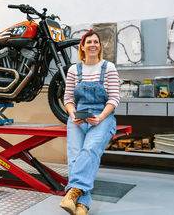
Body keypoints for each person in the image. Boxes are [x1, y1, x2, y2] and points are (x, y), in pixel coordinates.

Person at [59, 30, 120, 215]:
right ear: (82, 47)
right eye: (89, 42)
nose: (93, 44)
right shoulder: (73, 70)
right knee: (75, 156)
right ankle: (82, 205)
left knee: (90, 150)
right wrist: (72, 114)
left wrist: (100, 117)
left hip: (103, 117)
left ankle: (73, 192)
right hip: (78, 117)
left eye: (96, 42)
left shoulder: (108, 68)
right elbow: (68, 98)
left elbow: (114, 99)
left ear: (100, 46)